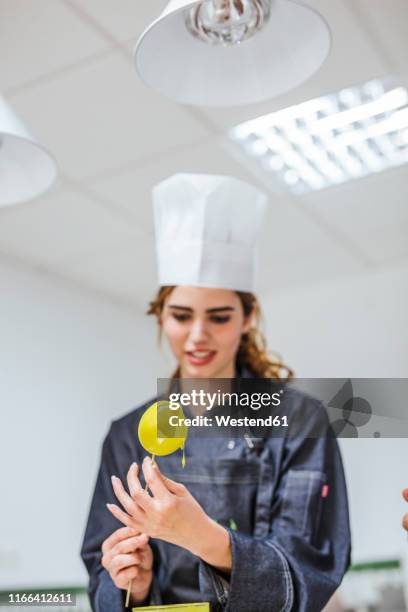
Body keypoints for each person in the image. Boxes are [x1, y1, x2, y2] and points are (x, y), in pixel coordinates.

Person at [80, 174, 351, 612]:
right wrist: (133, 585)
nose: (197, 337)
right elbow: (101, 573)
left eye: (220, 317)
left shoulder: (300, 422)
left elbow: (312, 572)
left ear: (248, 317)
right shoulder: (128, 434)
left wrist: (203, 537)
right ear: (160, 316)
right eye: (182, 316)